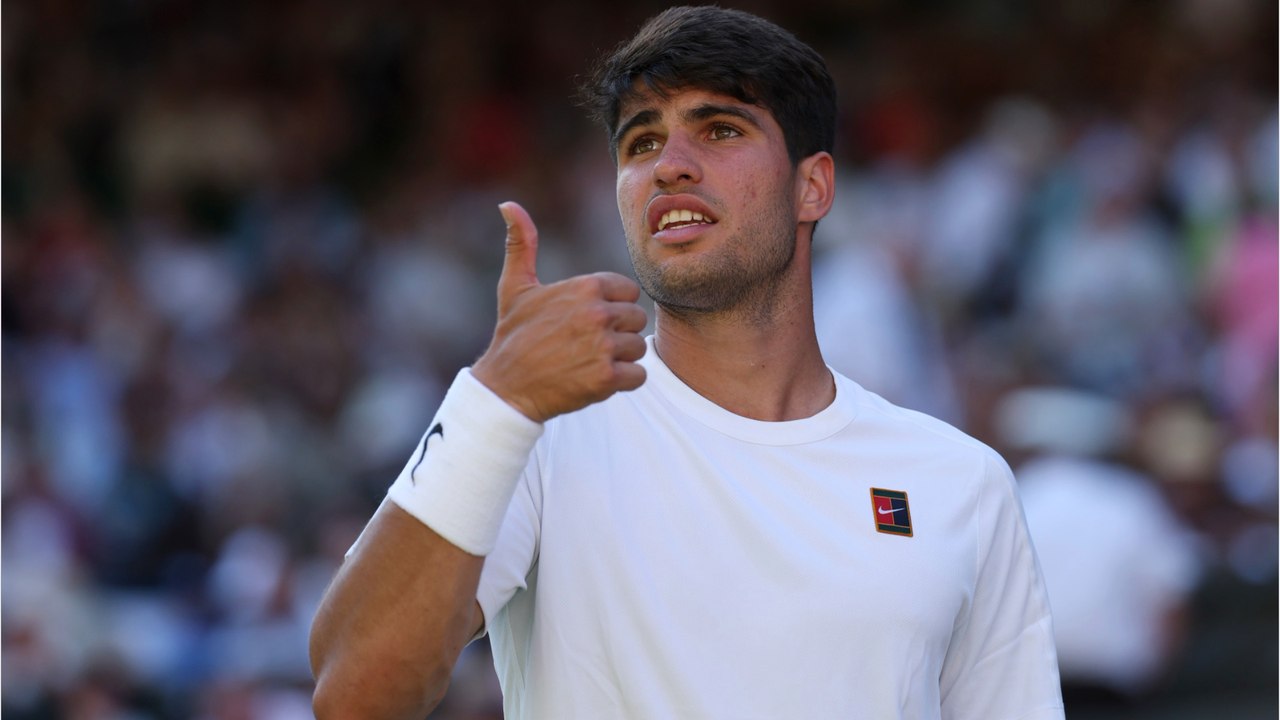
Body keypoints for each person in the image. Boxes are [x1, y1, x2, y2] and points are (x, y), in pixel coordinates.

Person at [309, 7, 1065, 719]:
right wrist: (495, 397)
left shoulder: (961, 481)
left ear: (812, 187)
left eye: (720, 129)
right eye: (641, 143)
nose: (669, 165)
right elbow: (353, 694)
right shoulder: (535, 433)